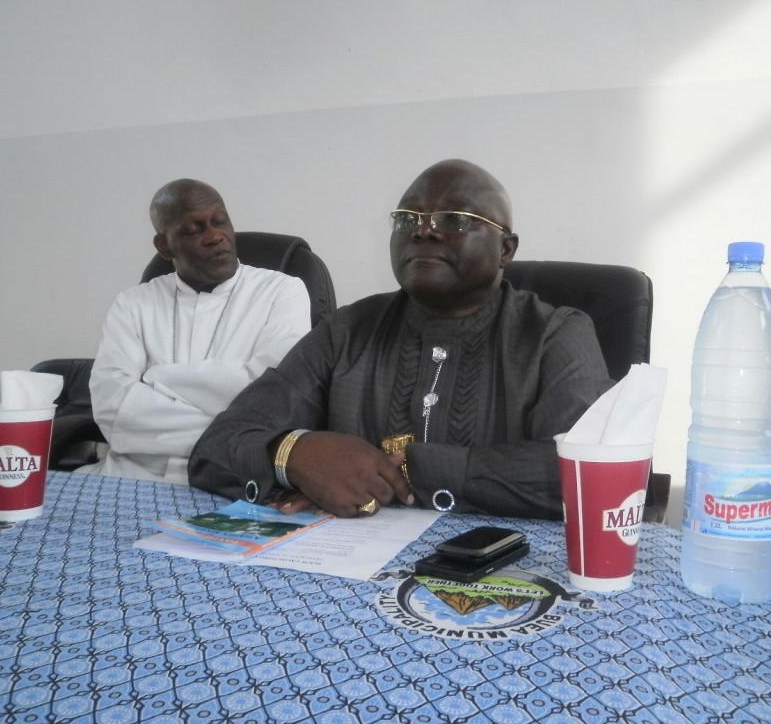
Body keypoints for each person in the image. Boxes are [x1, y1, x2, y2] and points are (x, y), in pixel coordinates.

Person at [189, 159, 613, 519]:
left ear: (506, 249)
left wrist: (409, 469)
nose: (423, 231)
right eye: (407, 219)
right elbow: (216, 448)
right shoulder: (348, 330)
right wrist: (294, 455)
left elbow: (589, 473)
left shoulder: (555, 334)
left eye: (455, 220)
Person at [77, 179, 311, 484]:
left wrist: (156, 378)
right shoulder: (133, 303)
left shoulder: (282, 291)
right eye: (194, 230)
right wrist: (238, 433)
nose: (214, 236)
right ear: (164, 246)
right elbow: (114, 410)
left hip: (231, 482)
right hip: (129, 477)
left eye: (220, 221)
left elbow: (272, 395)